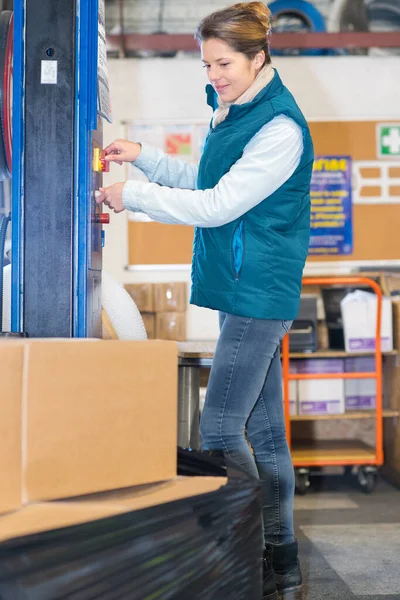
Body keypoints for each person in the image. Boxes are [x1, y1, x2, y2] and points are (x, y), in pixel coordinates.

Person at [97, 3, 313, 598]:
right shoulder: (233, 110)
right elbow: (204, 179)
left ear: (258, 57)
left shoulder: (280, 128)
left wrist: (134, 197)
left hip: (256, 292)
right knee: (265, 435)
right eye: (207, 63)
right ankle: (280, 562)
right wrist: (145, 158)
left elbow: (219, 206)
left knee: (219, 430)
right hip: (236, 286)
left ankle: (235, 551)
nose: (213, 74)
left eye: (224, 63)